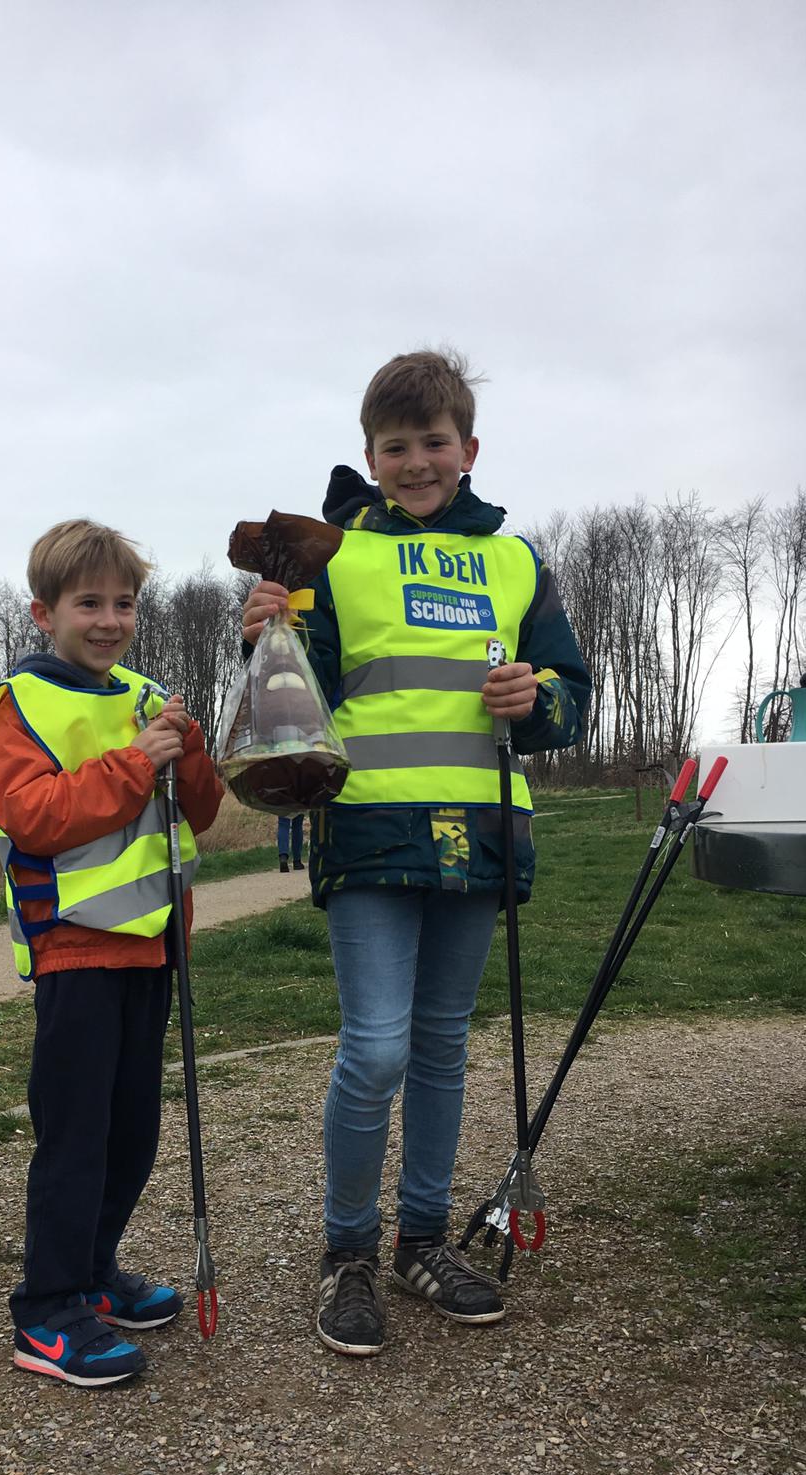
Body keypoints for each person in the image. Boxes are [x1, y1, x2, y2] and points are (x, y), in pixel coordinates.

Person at [242, 349, 591, 1357]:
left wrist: (543, 700)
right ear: (370, 454)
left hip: (482, 828)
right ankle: (347, 1251)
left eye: (434, 443)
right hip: (368, 827)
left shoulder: (518, 560)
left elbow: (571, 695)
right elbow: (286, 690)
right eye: (396, 447)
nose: (416, 462)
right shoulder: (333, 555)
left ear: (468, 449)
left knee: (441, 1045)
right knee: (377, 1047)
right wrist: (262, 629)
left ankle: (422, 1240)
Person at [0, 518, 223, 1387]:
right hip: (74, 948)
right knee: (75, 1137)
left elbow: (202, 811)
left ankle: (95, 1271)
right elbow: (34, 816)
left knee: (132, 1134)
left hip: (153, 951)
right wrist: (133, 765)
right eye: (89, 604)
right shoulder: (15, 706)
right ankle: (46, 1310)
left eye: (124, 603)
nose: (109, 620)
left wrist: (187, 754)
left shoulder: (148, 696)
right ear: (44, 613)